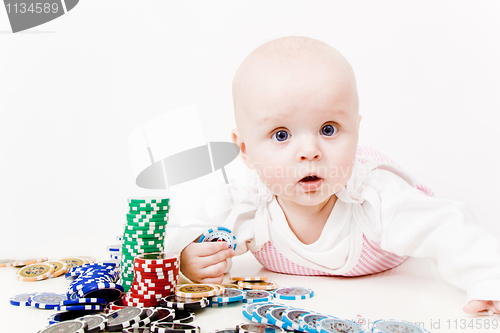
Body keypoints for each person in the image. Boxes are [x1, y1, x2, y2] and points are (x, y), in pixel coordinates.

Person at [172, 36, 500, 315]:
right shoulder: (248, 203)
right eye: (281, 135)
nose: (310, 151)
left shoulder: (376, 198)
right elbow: (181, 233)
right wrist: (186, 261)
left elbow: (447, 228)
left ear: (356, 130)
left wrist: (488, 279)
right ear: (244, 149)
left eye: (329, 129)